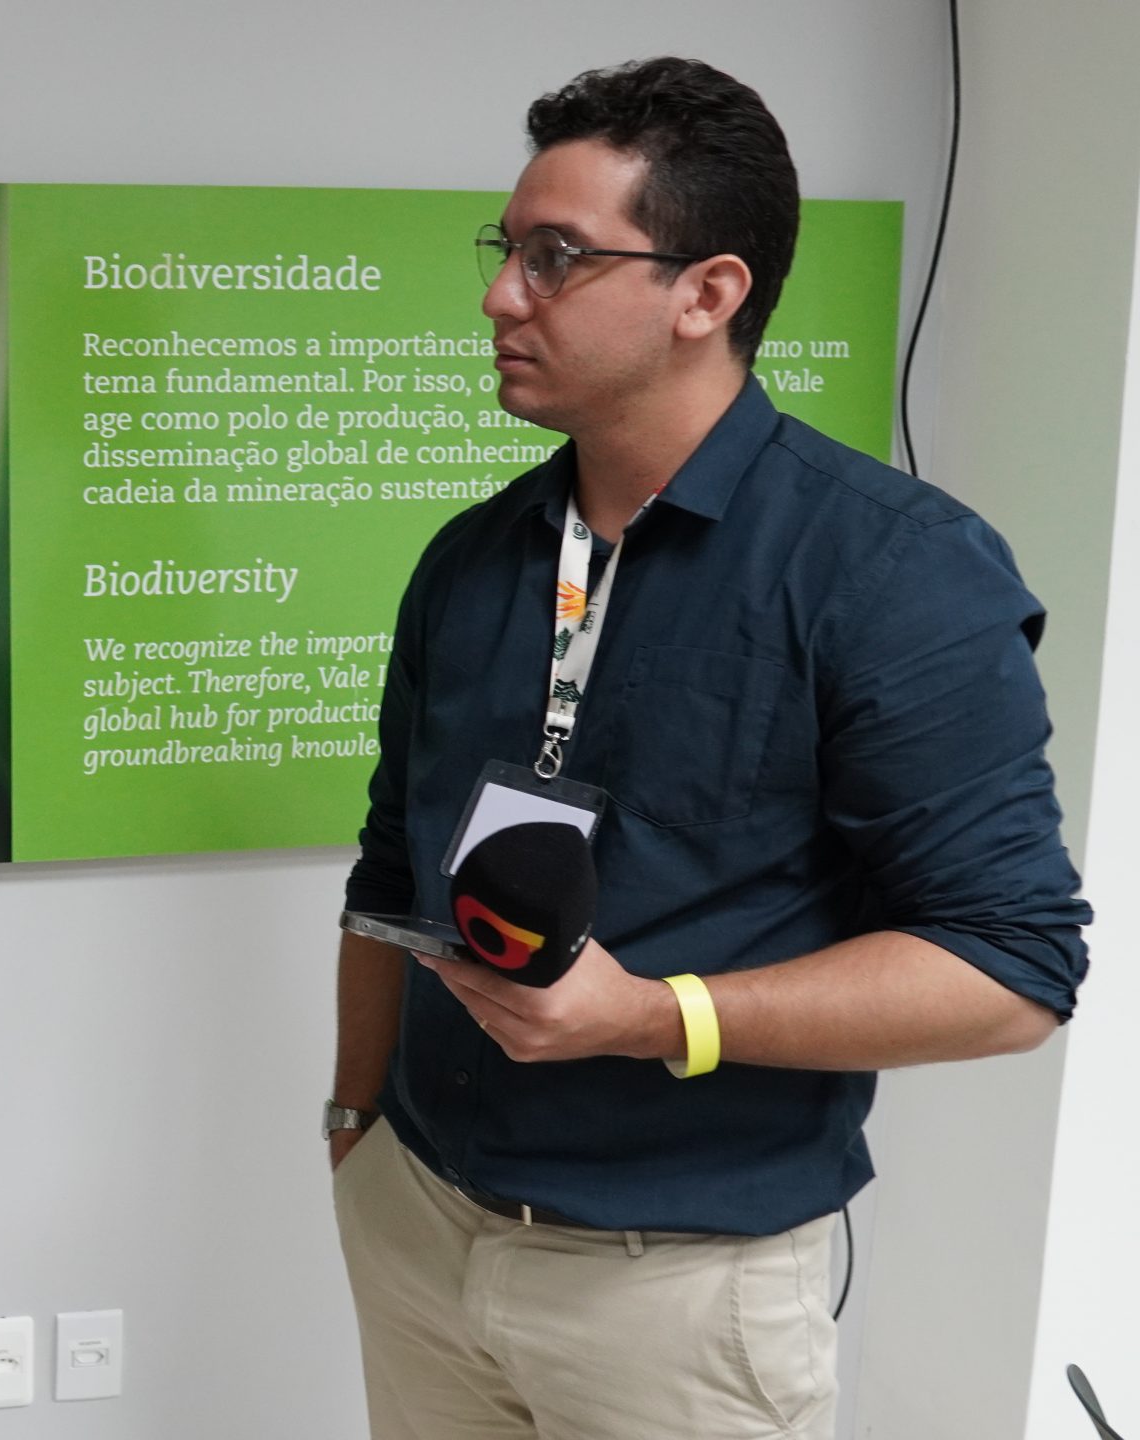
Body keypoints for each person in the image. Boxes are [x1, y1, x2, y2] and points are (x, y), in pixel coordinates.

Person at [328, 57, 1090, 1440]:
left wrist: (652, 1016)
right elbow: (390, 866)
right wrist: (353, 1121)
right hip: (420, 1225)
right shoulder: (473, 560)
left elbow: (1009, 969)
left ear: (708, 294)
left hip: (672, 1290)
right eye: (507, 250)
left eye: (556, 257)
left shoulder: (889, 573)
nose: (501, 296)